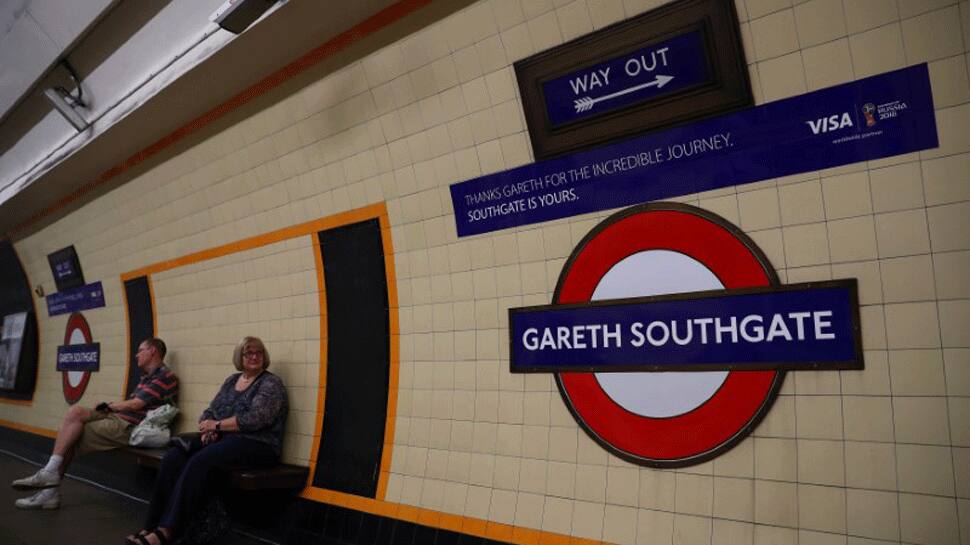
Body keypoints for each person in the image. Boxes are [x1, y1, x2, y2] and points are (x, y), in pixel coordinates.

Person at [125, 336, 287, 545]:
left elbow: (255, 419)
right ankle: (151, 525)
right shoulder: (232, 380)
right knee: (173, 457)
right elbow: (211, 410)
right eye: (249, 353)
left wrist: (217, 426)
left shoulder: (270, 383)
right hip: (227, 441)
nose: (254, 357)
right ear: (240, 356)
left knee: (200, 461)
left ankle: (167, 531)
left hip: (259, 444)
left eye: (259, 353)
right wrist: (206, 427)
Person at [12, 337, 178, 509]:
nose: (137, 355)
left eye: (140, 350)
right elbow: (132, 405)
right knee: (75, 413)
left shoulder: (165, 376)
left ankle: (49, 491)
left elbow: (136, 404)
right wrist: (108, 408)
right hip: (120, 418)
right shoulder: (147, 378)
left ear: (152, 351)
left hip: (131, 427)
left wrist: (111, 406)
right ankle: (50, 471)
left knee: (72, 436)